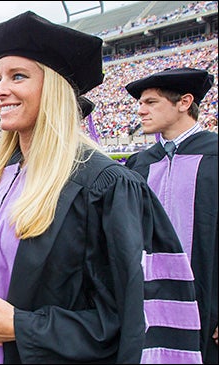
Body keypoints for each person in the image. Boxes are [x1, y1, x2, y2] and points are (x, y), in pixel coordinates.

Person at [0, 11, 202, 364]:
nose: (1, 90)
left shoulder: (104, 185)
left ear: (52, 89)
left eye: (17, 76)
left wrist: (22, 327)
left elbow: (126, 319)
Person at [124, 67, 217, 364]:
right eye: (140, 103)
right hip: (148, 304)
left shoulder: (214, 155)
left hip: (208, 298)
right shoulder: (139, 164)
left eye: (150, 102)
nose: (140, 110)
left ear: (184, 102)